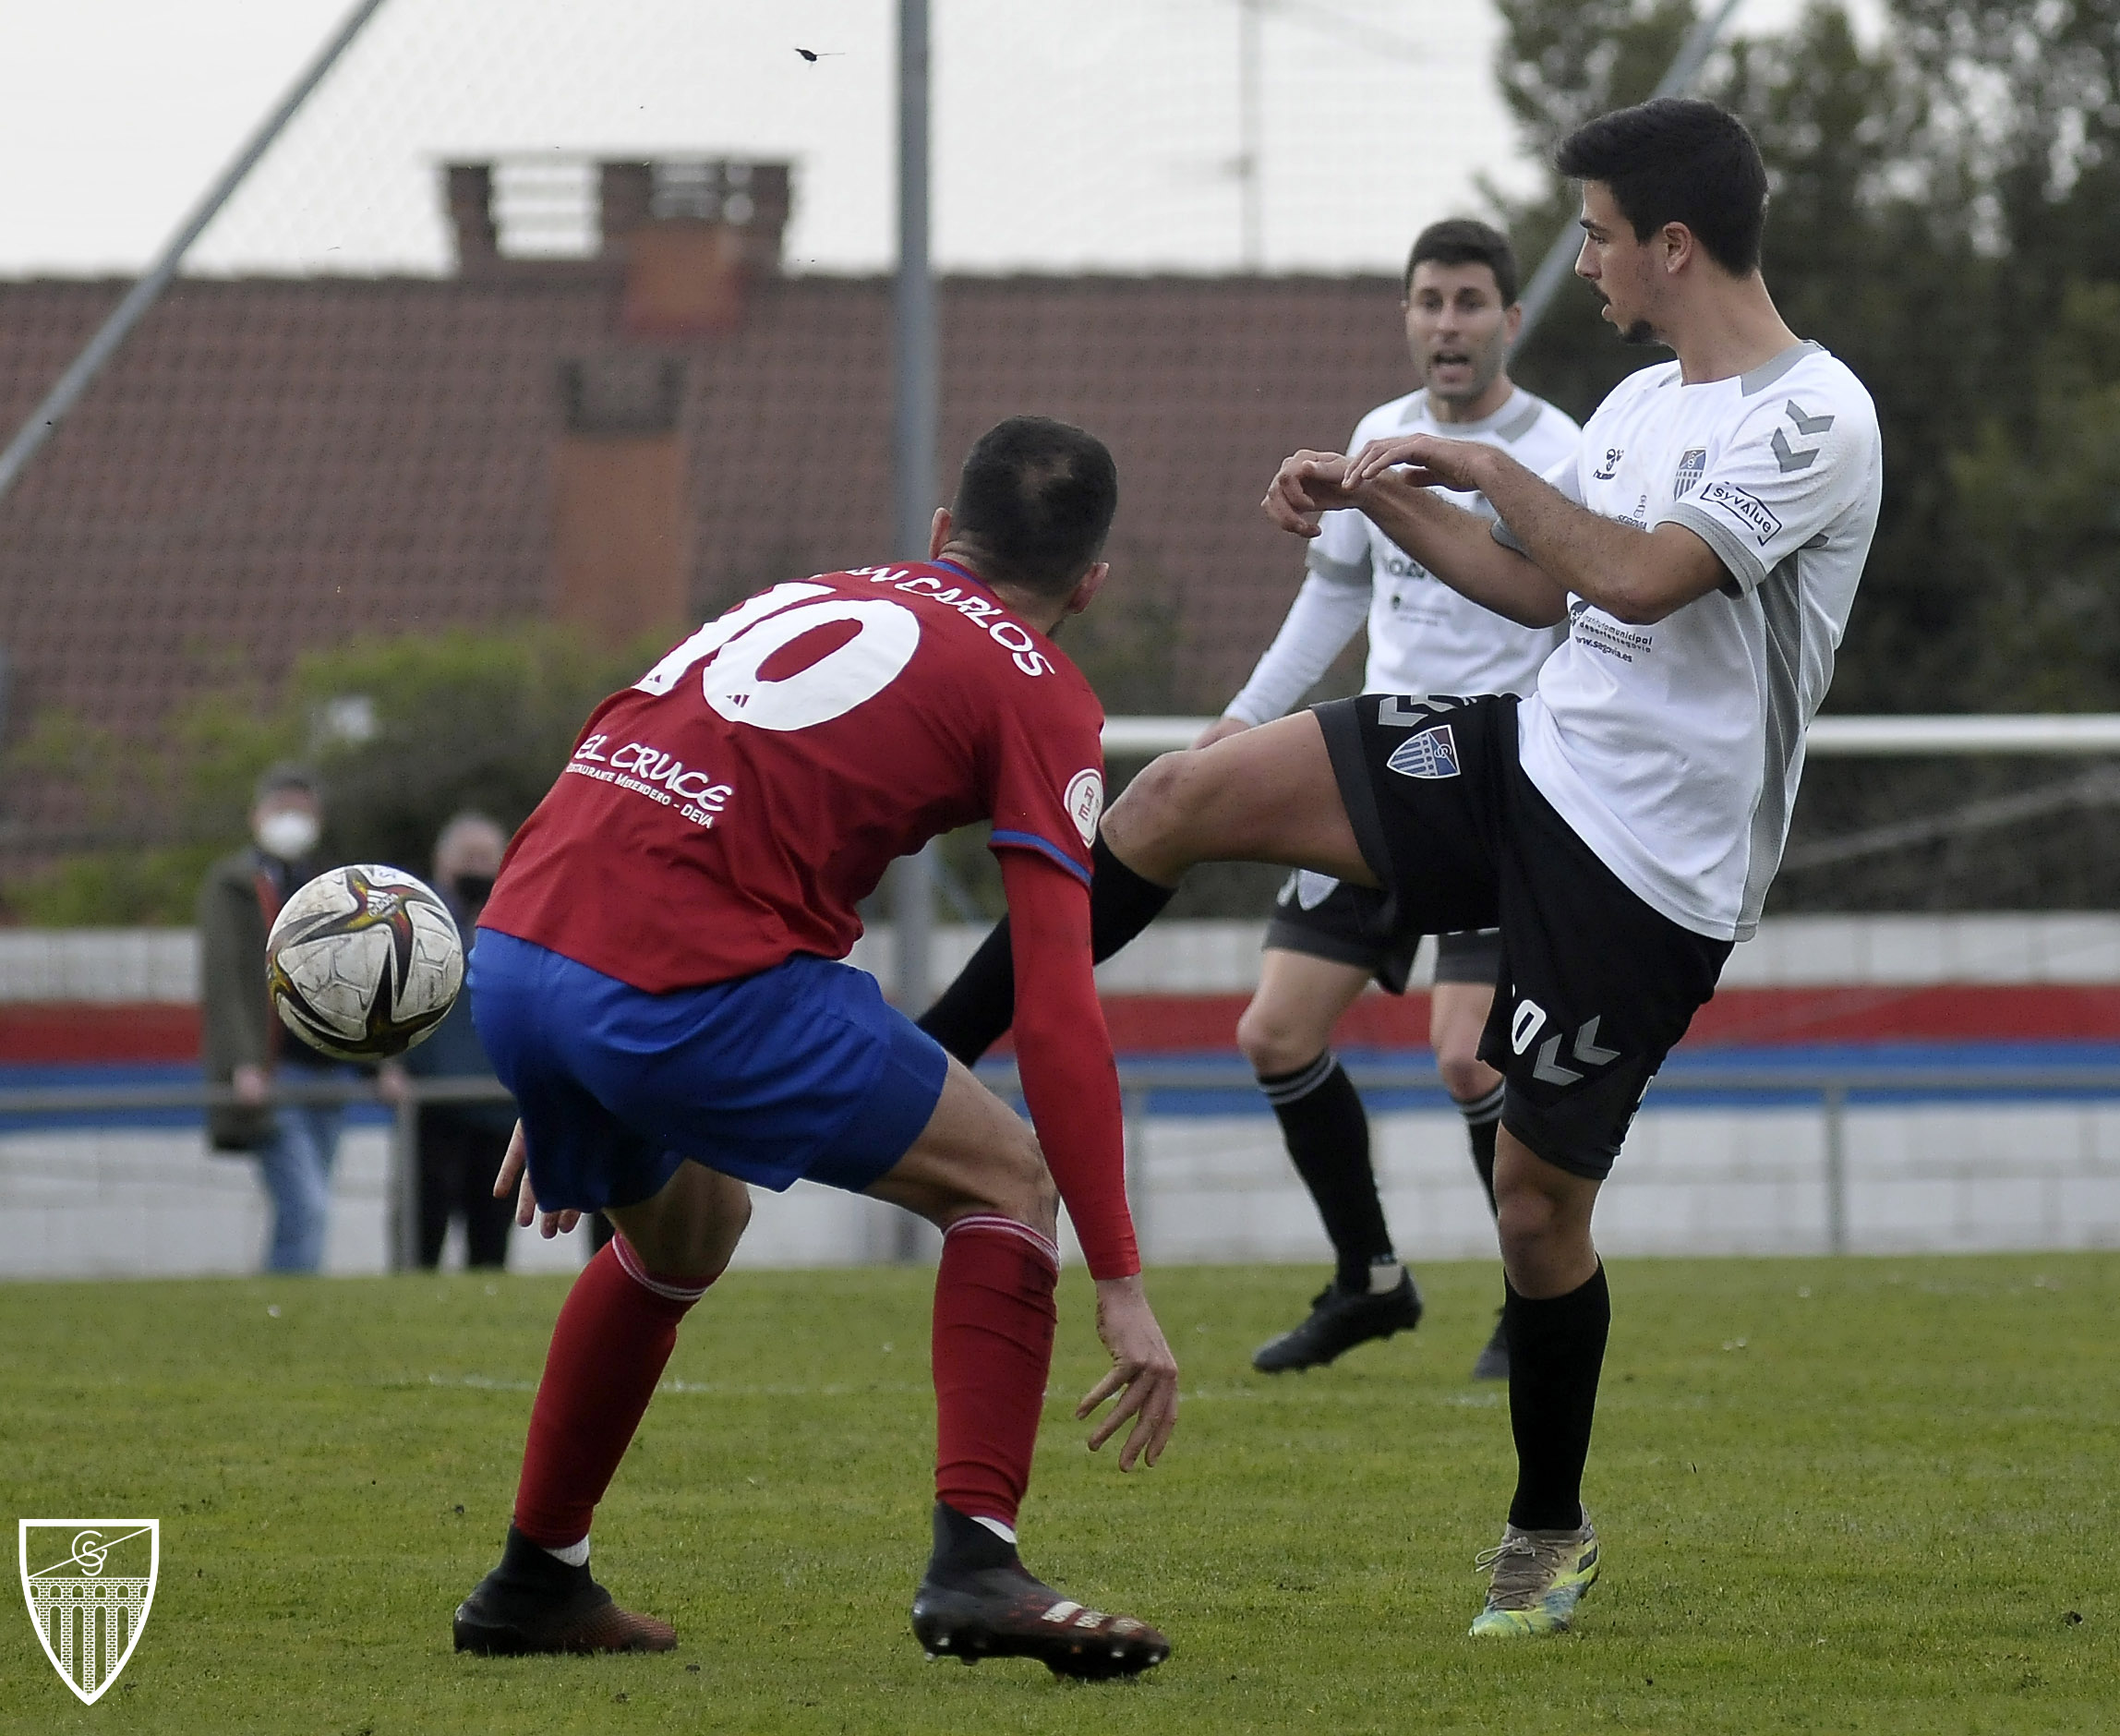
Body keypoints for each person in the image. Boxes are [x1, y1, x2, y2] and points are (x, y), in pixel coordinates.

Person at [913, 99, 1882, 1638]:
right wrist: (1385, 496)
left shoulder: (1816, 417)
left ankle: (1547, 1534)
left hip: (1649, 873)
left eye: (1598, 235)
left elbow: (1637, 578)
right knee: (1176, 797)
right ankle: (908, 1067)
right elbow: (1538, 593)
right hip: (1525, 758)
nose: (1586, 260)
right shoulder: (1637, 404)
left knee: (1533, 1214)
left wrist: (1478, 464)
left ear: (1672, 244)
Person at [450, 416, 1180, 1677]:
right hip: (680, 981)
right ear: (1090, 586)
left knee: (689, 1229)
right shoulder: (1041, 686)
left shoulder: (816, 590)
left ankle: (535, 1579)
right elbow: (1057, 1001)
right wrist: (1118, 1277)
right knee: (1007, 1178)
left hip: (524, 941)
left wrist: (563, 1033)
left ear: (943, 533)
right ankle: (978, 1565)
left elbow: (626, 750)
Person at [1194, 219, 1579, 1380]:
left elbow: (1577, 619)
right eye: (1428, 301)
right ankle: (1370, 1278)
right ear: (1407, 317)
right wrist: (1244, 720)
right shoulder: (1376, 438)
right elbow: (1333, 599)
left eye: (1469, 302)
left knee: (1469, 1060)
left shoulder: (1558, 452)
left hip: (1494, 787)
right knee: (1274, 1031)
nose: (1447, 323)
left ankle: (1530, 1303)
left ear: (1509, 320)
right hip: (1375, 776)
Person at [199, 764, 348, 1272]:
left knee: (312, 1201)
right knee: (306, 1206)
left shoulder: (331, 884)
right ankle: (287, 1300)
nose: (292, 820)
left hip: (326, 1071)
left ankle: (290, 1299)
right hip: (274, 1071)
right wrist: (243, 1062)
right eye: (281, 808)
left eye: (301, 810)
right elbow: (226, 978)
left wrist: (379, 1065)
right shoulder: (234, 885)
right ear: (256, 815)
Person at [395, 812, 517, 1270]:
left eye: (488, 858)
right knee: (421, 1232)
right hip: (431, 1104)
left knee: (492, 1239)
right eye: (469, 857)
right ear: (441, 860)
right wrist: (386, 1067)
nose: (479, 869)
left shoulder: (516, 919)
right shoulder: (411, 920)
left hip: (499, 1105)